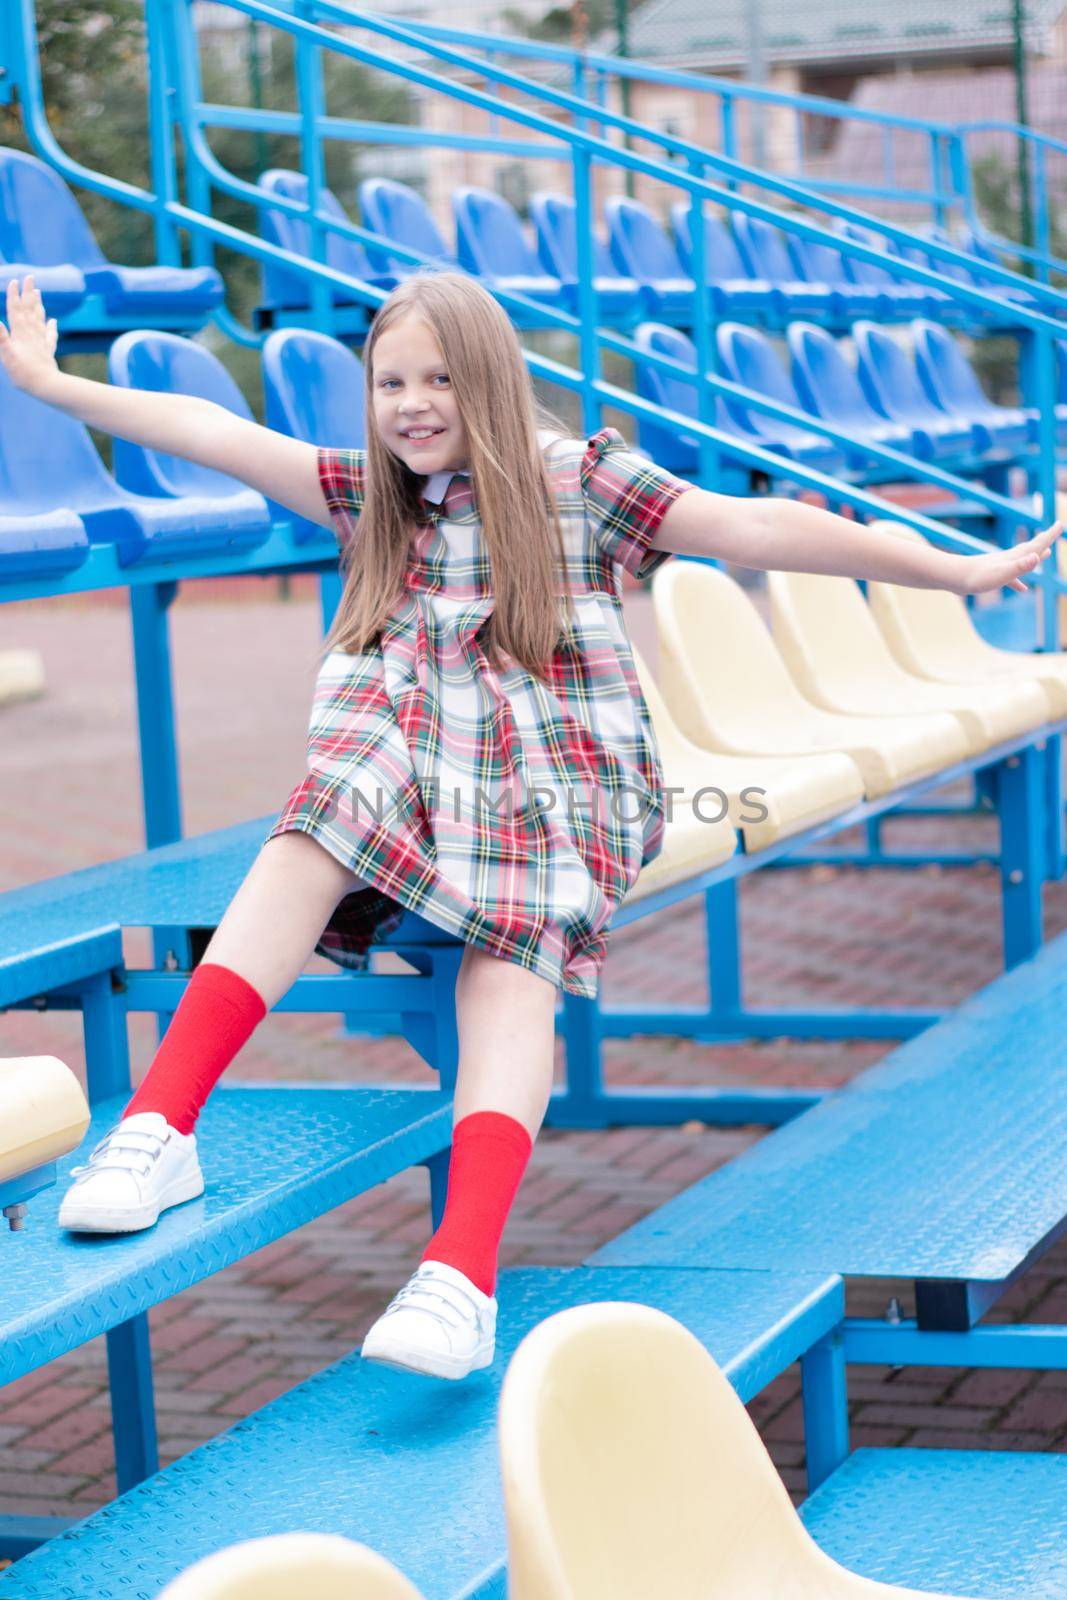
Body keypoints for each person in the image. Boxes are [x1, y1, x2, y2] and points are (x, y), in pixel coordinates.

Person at [1, 270, 1057, 1382]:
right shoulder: (374, 496)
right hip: (414, 770)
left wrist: (951, 566)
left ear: (491, 381)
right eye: (390, 381)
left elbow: (759, 525)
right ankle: (162, 1127)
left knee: (509, 956)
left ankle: (460, 1272)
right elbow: (207, 429)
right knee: (315, 817)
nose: (411, 404)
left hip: (563, 775)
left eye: (439, 380)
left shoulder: (582, 483)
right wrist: (51, 382)